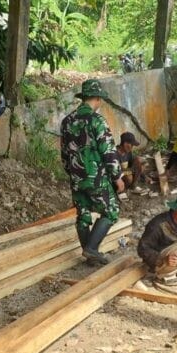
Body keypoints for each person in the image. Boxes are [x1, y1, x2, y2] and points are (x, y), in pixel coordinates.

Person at [60, 78, 125, 265]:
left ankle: (90, 256)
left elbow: (64, 153)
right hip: (96, 176)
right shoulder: (97, 120)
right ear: (97, 98)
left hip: (76, 176)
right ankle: (91, 249)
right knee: (111, 210)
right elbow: (108, 151)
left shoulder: (67, 121)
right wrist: (117, 176)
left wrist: (72, 172)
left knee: (83, 214)